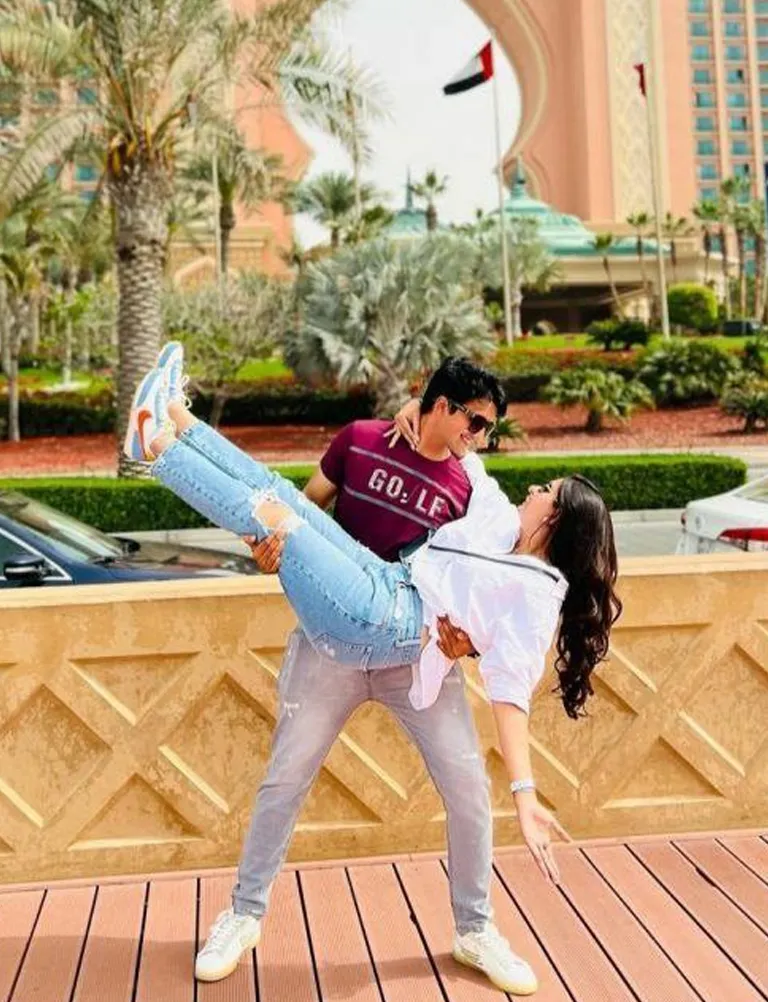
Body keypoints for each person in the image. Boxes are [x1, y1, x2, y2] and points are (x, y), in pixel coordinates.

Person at [126, 347, 621, 995]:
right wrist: (417, 407)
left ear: (554, 520)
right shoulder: (477, 501)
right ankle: (175, 418)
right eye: (473, 423)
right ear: (442, 407)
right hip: (370, 601)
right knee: (283, 506)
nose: (487, 446)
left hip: (402, 638)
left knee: (470, 794)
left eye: (545, 493)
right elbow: (434, 446)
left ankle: (475, 930)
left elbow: (510, 696)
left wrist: (525, 794)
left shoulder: (534, 591)